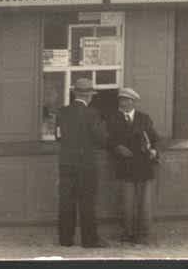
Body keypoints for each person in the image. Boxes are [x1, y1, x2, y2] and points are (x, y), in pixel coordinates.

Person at [55, 77, 109, 249]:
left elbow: (58, 136)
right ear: (89, 96)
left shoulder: (62, 112)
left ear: (75, 93)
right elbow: (101, 139)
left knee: (66, 202)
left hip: (65, 163)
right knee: (87, 202)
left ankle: (65, 240)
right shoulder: (93, 113)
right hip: (86, 164)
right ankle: (89, 240)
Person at [107, 87, 161, 244]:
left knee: (145, 204)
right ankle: (127, 234)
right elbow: (108, 139)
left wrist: (154, 151)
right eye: (121, 100)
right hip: (125, 166)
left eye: (125, 100)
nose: (122, 103)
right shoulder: (112, 118)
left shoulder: (144, 118)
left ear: (133, 102)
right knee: (127, 203)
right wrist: (117, 147)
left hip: (145, 166)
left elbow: (155, 138)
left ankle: (144, 235)